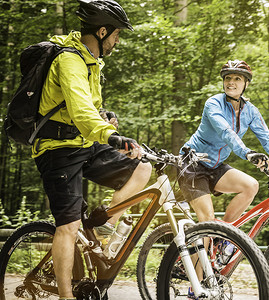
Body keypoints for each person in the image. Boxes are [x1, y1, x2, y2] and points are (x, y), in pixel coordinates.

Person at [32, 1, 152, 299]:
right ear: (102, 31)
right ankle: (65, 295)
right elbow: (81, 110)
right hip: (57, 149)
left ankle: (103, 228)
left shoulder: (91, 62)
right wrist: (112, 136)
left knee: (143, 168)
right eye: (116, 34)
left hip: (85, 143)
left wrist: (106, 118)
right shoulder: (70, 60)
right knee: (68, 226)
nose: (117, 40)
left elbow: (90, 110)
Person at [178, 60, 269, 225]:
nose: (231, 82)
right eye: (228, 78)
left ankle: (225, 237)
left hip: (215, 166)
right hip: (192, 164)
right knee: (207, 222)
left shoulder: (251, 111)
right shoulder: (213, 103)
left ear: (246, 83)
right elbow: (226, 132)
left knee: (251, 186)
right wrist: (248, 153)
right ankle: (212, 236)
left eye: (237, 79)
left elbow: (268, 141)